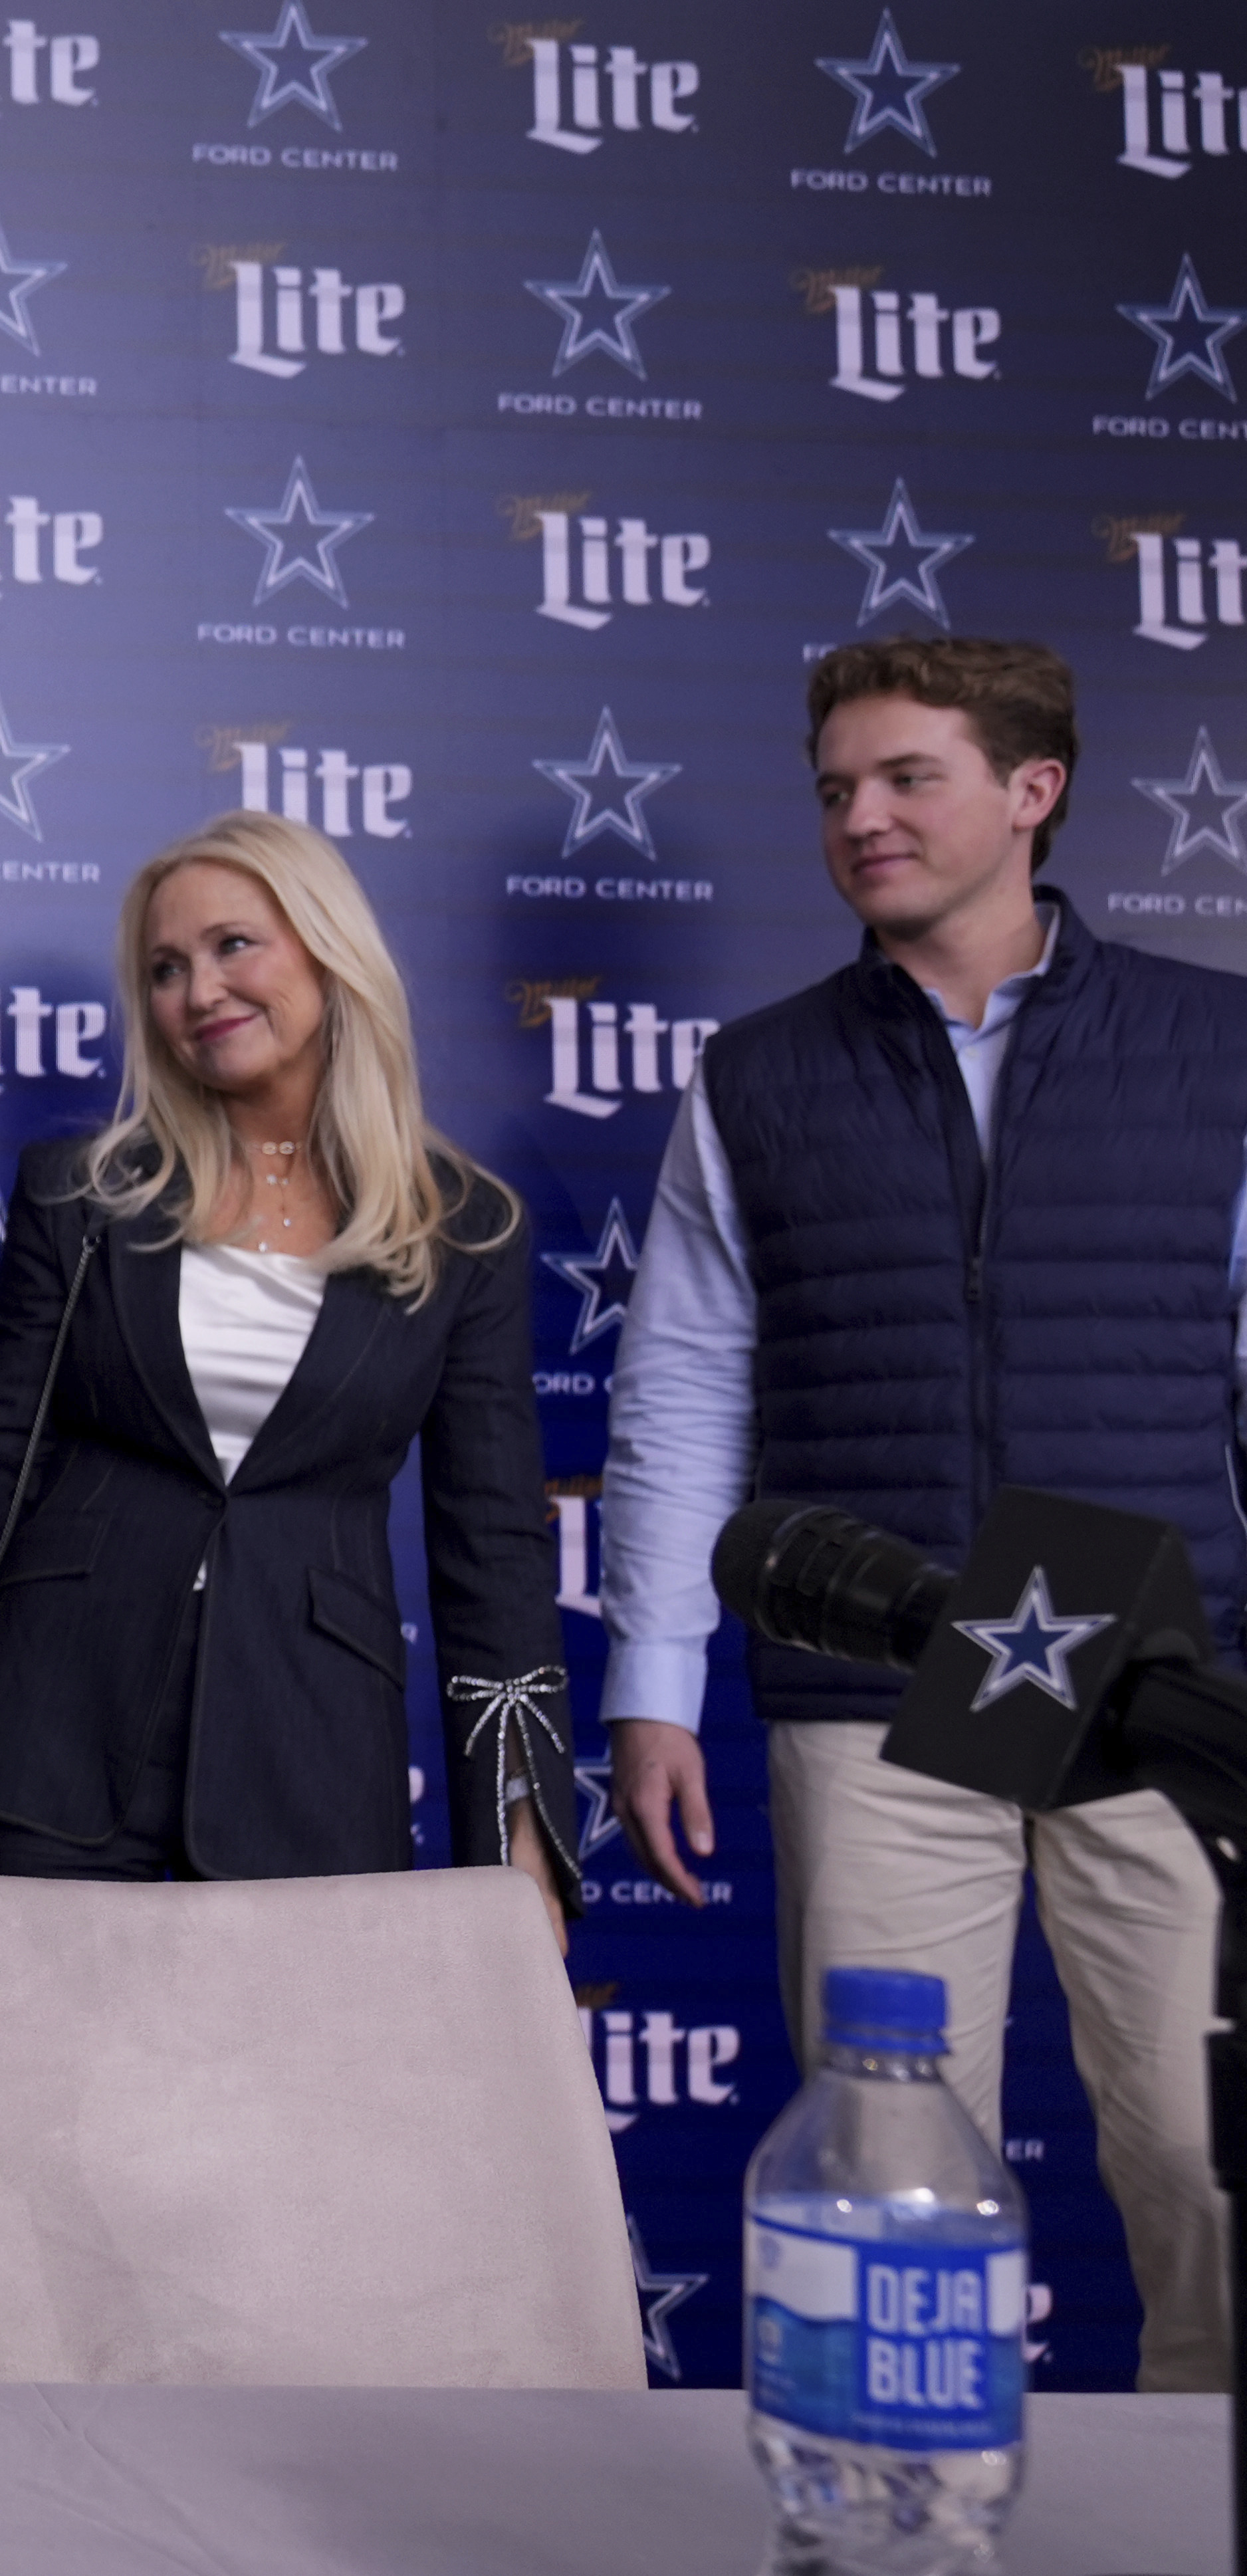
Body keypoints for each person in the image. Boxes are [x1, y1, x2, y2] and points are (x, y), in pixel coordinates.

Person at [604, 636, 1247, 2393]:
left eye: (904, 779)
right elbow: (679, 1384)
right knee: (884, 2185)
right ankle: (891, 2507)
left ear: (1030, 791)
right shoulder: (754, 1074)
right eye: (832, 790)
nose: (859, 819)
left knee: (1206, 2166)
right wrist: (652, 1675)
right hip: (874, 1680)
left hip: (1169, 1688)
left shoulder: (1218, 1044)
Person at [0, 812, 572, 1927]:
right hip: (40, 1744)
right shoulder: (81, 1192)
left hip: (309, 1767)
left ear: (328, 952)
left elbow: (495, 1548)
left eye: (233, 946)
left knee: (274, 2108)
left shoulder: (464, 1234)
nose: (197, 991)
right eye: (164, 969)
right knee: (36, 2106)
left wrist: (523, 1842)